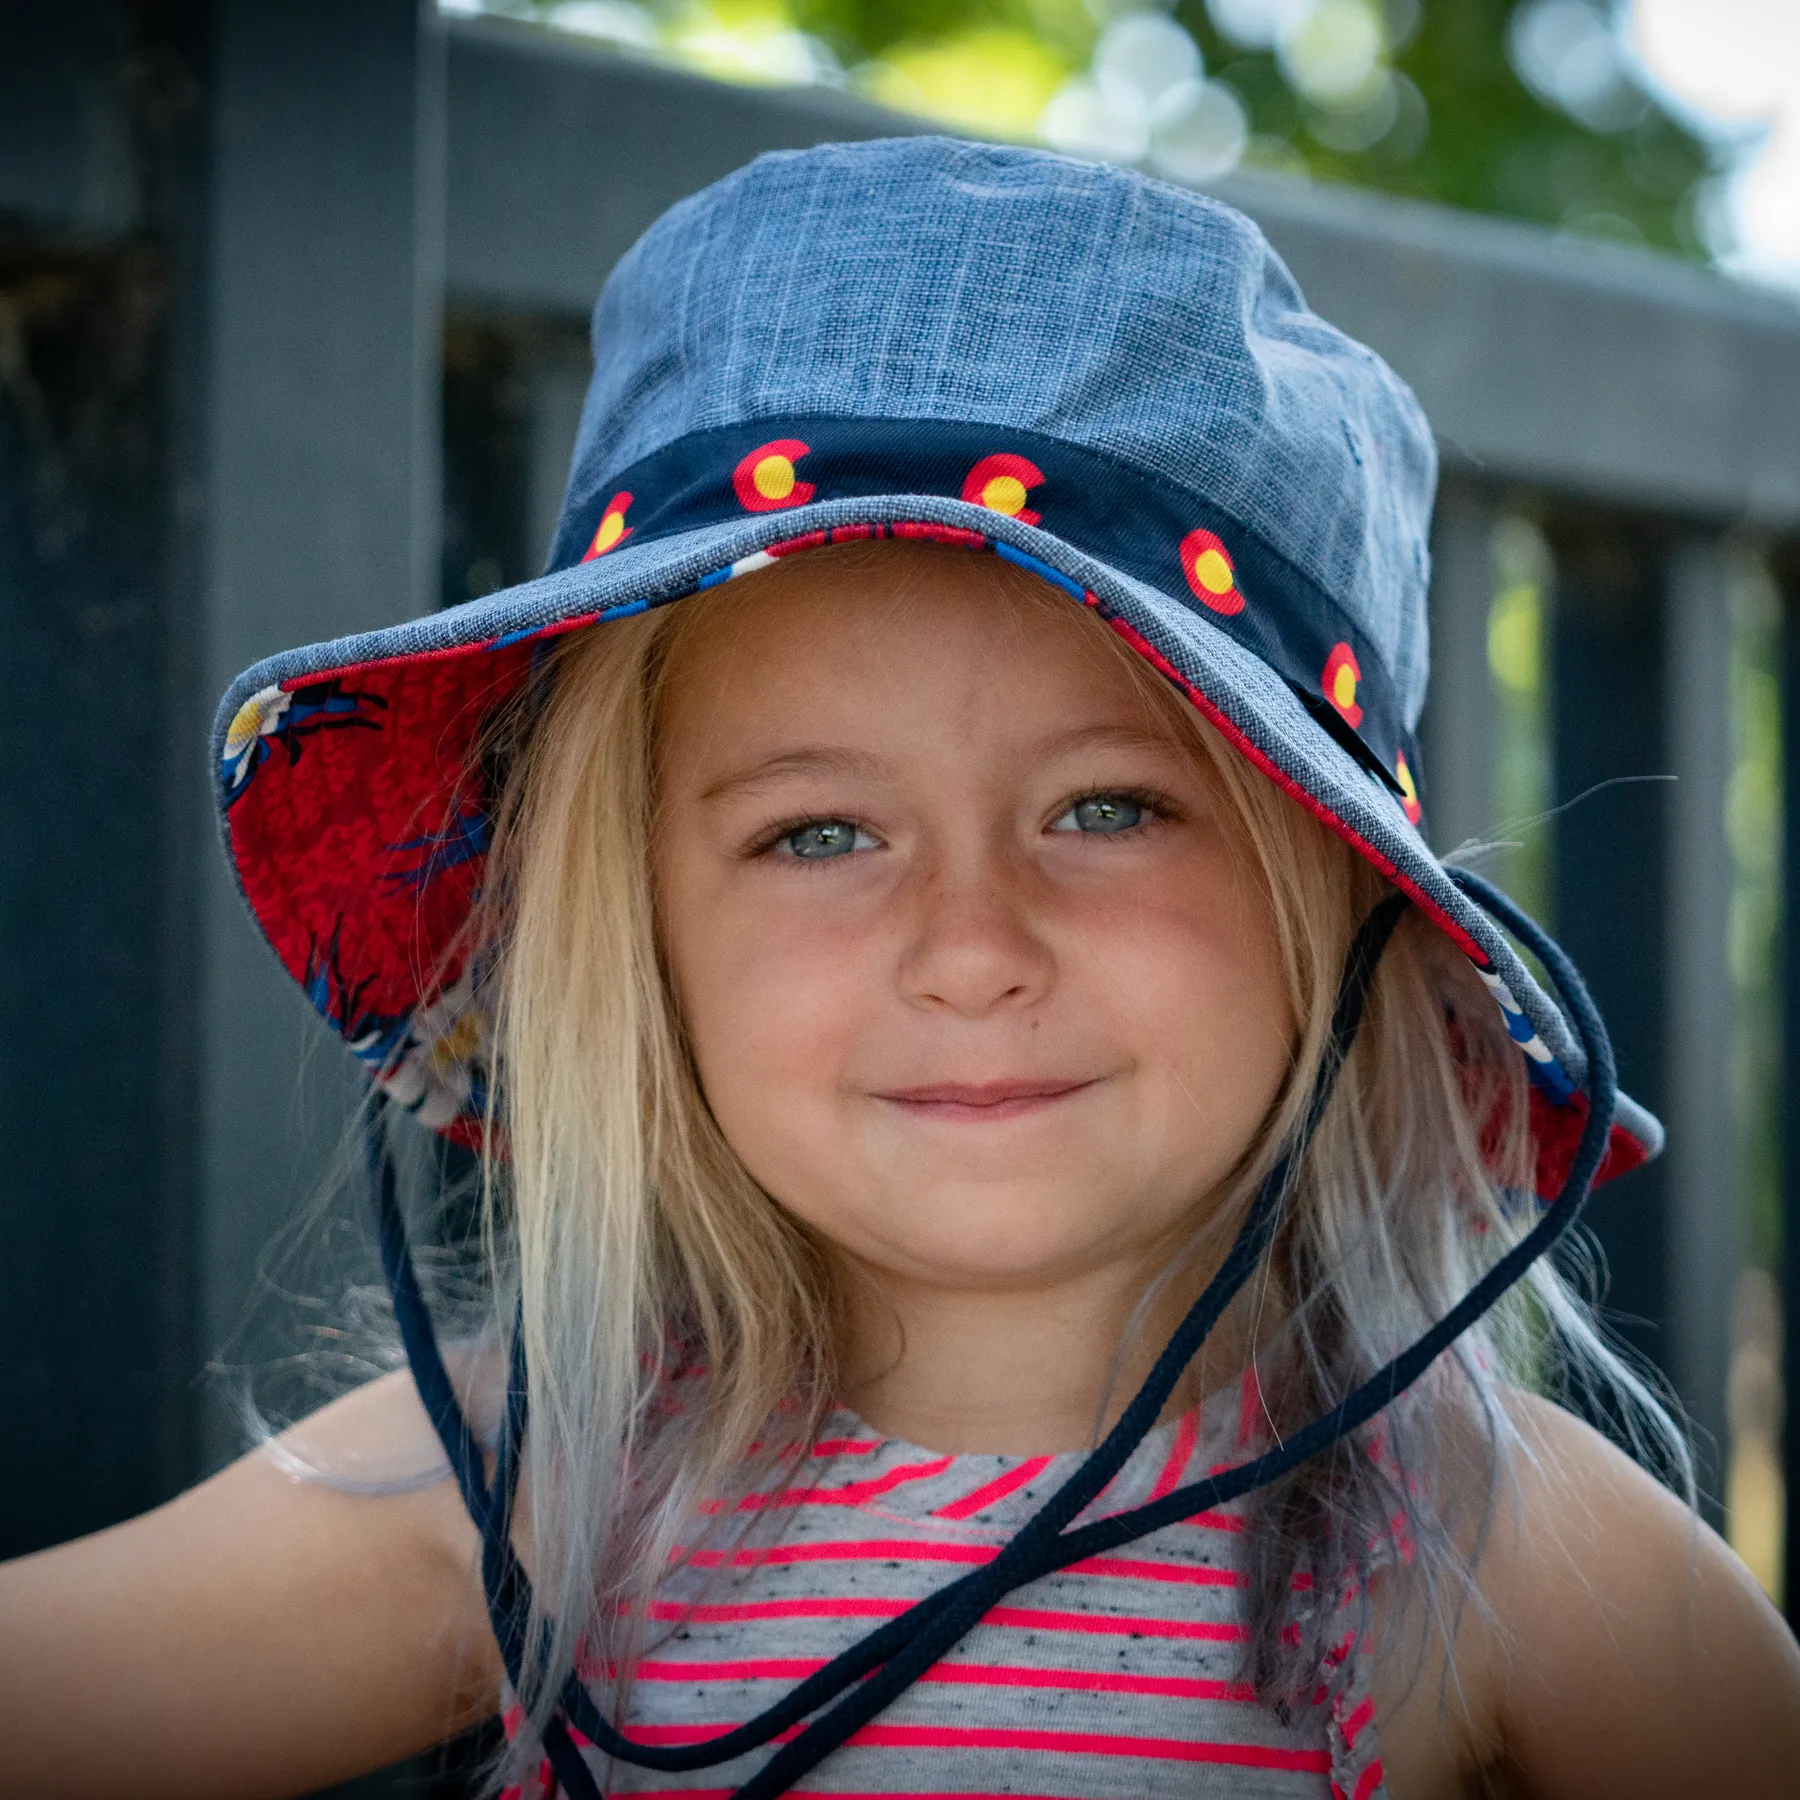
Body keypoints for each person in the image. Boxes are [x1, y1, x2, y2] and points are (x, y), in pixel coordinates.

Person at [2, 137, 1795, 1800]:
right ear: (641, 949)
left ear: (1339, 898)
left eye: (1107, 808)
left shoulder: (1473, 1542)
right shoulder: (548, 1478)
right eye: (817, 836)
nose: (969, 948)